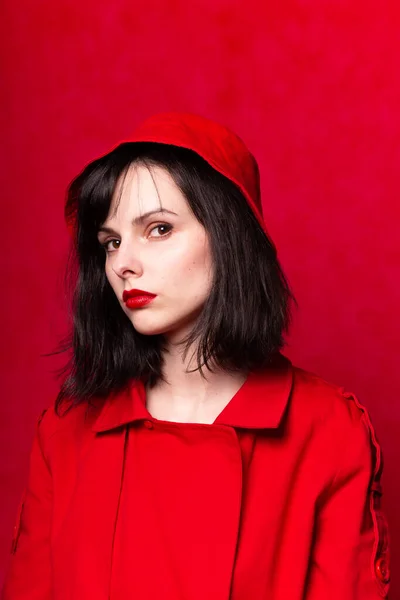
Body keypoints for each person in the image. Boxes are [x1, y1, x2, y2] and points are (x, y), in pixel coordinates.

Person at [2, 112, 390, 599]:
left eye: (159, 229)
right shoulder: (65, 434)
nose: (123, 262)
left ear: (229, 237)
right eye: (111, 242)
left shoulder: (328, 432)